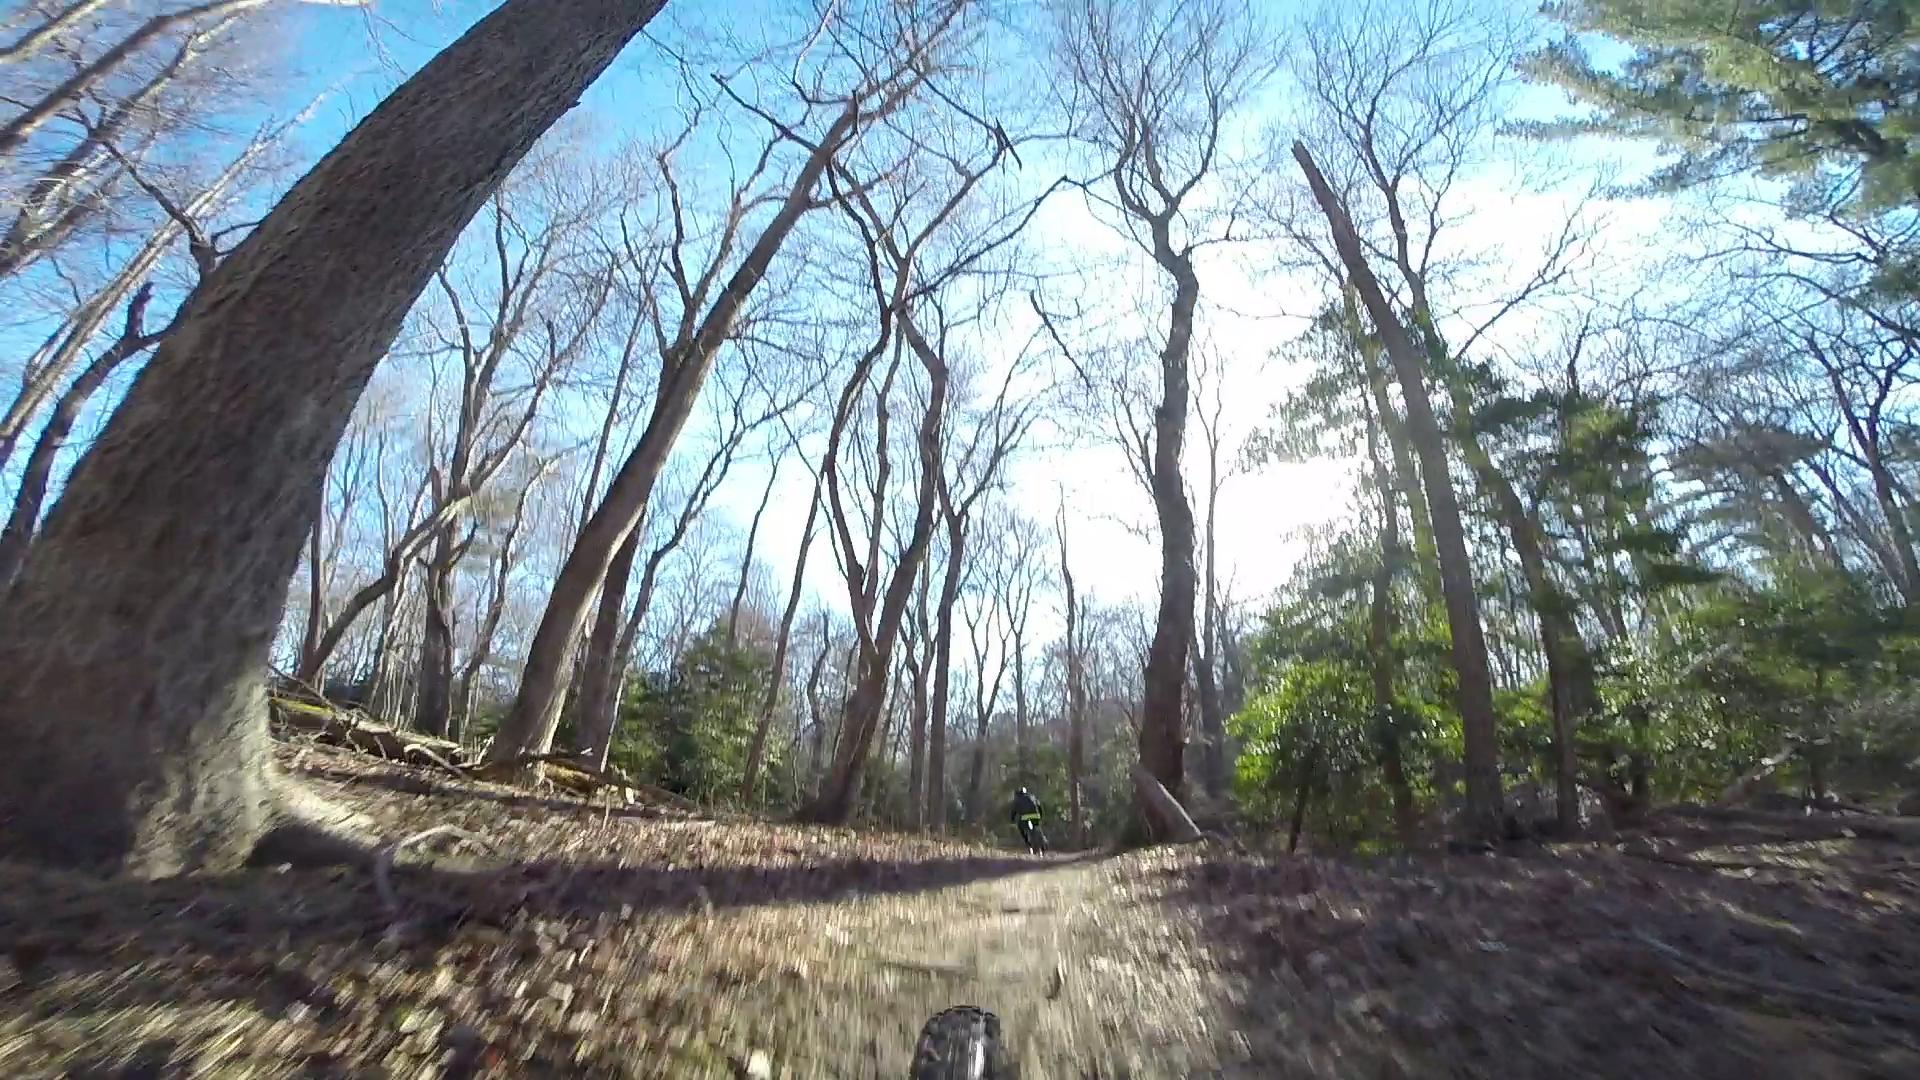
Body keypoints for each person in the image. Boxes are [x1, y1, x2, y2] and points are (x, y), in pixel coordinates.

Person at [1008, 786, 1046, 853]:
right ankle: (1042, 842)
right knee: (1037, 827)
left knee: (1021, 828)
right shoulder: (1032, 797)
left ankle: (1028, 844)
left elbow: (1013, 811)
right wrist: (1041, 816)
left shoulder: (1018, 800)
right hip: (1036, 816)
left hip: (1025, 817)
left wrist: (1012, 820)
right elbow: (1039, 806)